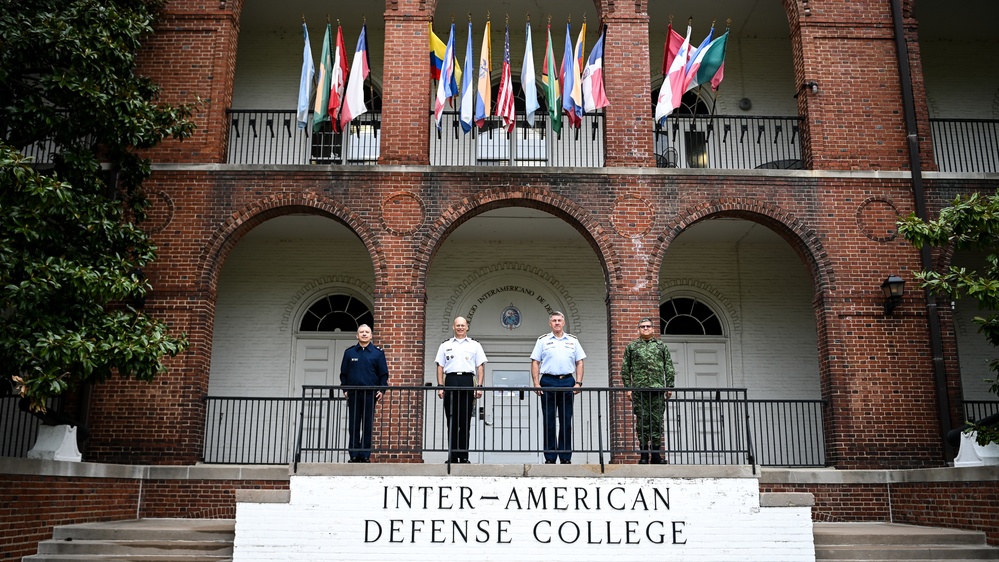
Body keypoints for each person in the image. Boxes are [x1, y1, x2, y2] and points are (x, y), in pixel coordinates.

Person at [531, 311, 586, 465]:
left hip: (567, 381)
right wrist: (536, 383)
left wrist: (578, 383)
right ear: (550, 323)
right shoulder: (543, 341)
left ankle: (565, 457)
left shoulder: (573, 341)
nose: (556, 323)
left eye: (559, 320)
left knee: (566, 421)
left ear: (563, 323)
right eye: (554, 320)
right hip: (548, 381)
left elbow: (579, 362)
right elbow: (535, 362)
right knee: (549, 421)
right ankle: (549, 457)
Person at [621, 317, 675, 464]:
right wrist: (628, 388)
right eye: (642, 327)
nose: (645, 329)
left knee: (657, 422)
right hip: (639, 390)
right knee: (642, 422)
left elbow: (668, 367)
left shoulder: (660, 346)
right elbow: (626, 368)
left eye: (648, 326)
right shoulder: (632, 347)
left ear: (653, 329)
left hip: (657, 389)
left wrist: (669, 386)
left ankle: (656, 456)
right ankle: (644, 455)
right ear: (638, 329)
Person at [435, 316, 488, 464]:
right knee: (451, 419)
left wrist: (479, 386)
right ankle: (452, 456)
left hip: (467, 381)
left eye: (462, 325)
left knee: (465, 421)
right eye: (457, 325)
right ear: (453, 327)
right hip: (450, 380)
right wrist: (440, 386)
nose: (460, 328)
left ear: (467, 327)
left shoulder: (475, 345)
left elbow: (480, 367)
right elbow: (440, 366)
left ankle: (463, 455)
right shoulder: (445, 345)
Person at [340, 324, 389, 463]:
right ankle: (354, 455)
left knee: (367, 426)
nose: (364, 334)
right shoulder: (349, 353)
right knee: (354, 425)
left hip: (370, 394)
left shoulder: (377, 353)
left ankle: (365, 455)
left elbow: (383, 374)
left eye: (367, 332)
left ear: (371, 335)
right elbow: (343, 374)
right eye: (361, 332)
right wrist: (345, 389)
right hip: (354, 394)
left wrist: (382, 389)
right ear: (357, 335)